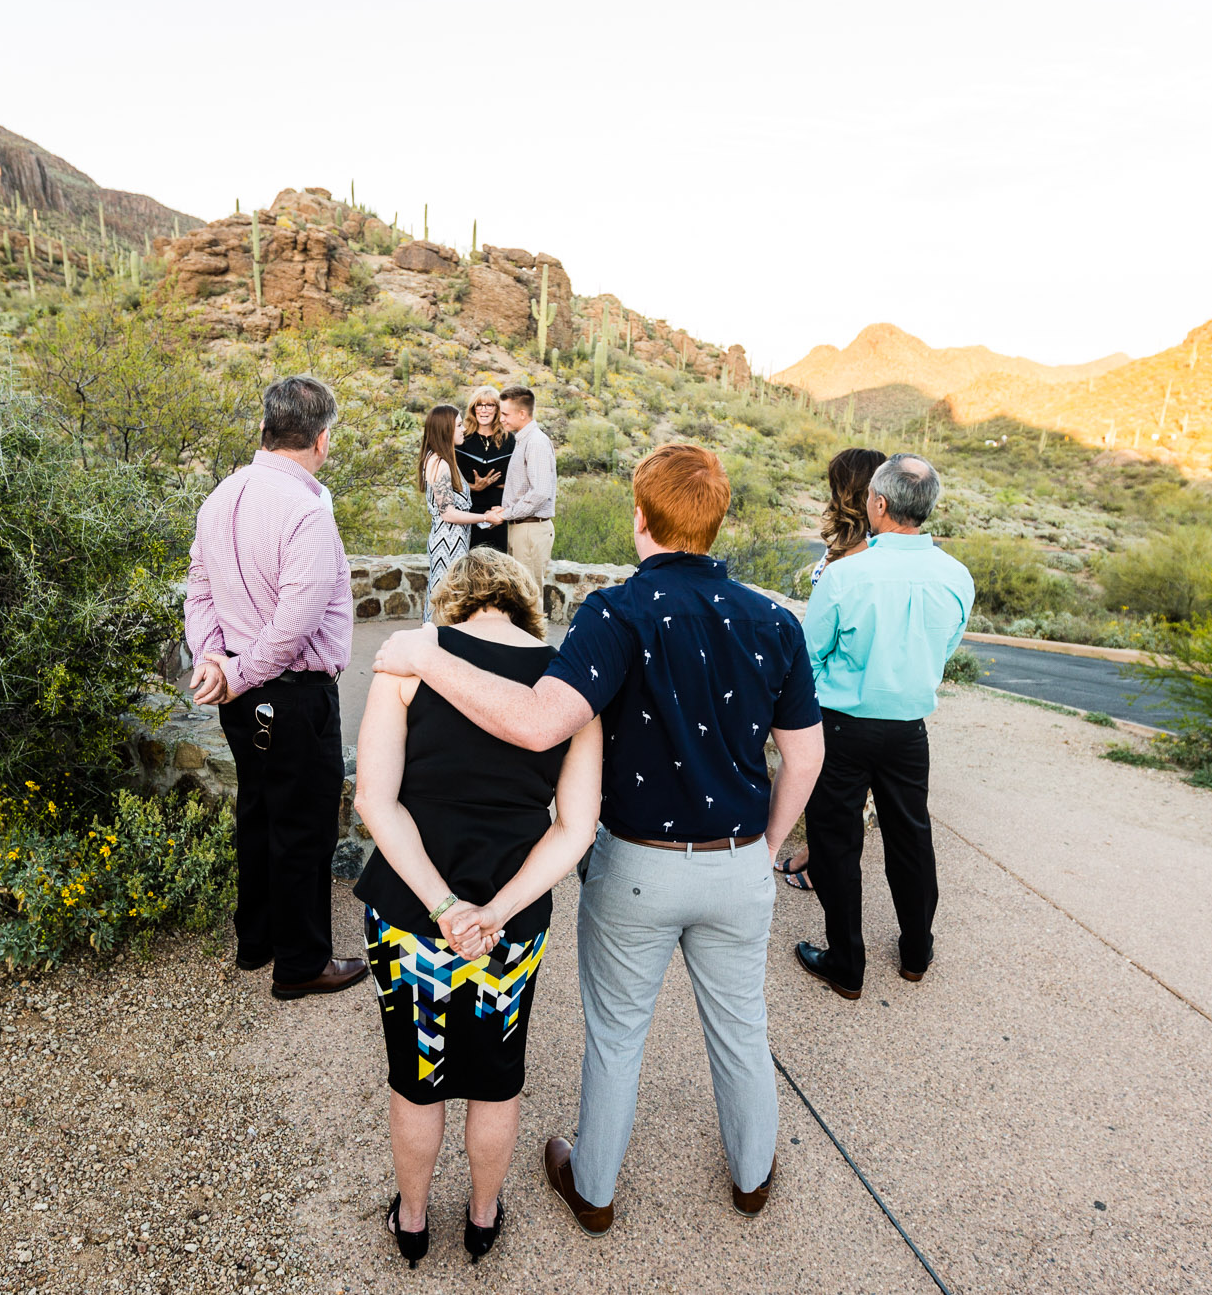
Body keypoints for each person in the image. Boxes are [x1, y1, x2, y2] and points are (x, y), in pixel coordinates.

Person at [373, 443, 825, 1237]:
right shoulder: (776, 622)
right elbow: (806, 753)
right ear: (715, 523)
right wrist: (764, 846)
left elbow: (543, 719)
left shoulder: (615, 613)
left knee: (617, 1035)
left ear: (641, 519)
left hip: (639, 866)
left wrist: (426, 652)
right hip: (737, 864)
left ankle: (596, 1188)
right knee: (744, 1030)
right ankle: (753, 1177)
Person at [353, 548, 604, 1267]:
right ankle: (484, 1215)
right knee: (497, 1077)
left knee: (417, 1074)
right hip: (512, 923)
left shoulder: (410, 659)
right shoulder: (569, 684)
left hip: (408, 913)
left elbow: (375, 797)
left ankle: (410, 1218)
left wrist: (442, 904)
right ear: (525, 605)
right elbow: (576, 826)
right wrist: (493, 910)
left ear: (453, 603)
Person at [186, 374, 369, 1002]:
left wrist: (212, 659)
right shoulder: (307, 510)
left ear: (266, 431)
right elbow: (293, 625)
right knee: (304, 824)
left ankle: (256, 938)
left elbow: (200, 589)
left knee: (259, 810)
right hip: (291, 694)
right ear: (320, 440)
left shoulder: (220, 496)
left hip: (242, 695)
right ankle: (301, 964)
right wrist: (231, 670)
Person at [794, 454, 973, 999]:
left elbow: (809, 654)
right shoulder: (956, 576)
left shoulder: (848, 574)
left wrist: (835, 686)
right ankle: (917, 949)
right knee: (911, 837)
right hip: (909, 730)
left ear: (879, 503)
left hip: (844, 726)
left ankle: (847, 963)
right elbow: (945, 649)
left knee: (836, 840)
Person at [779, 446, 886, 893]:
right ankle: (814, 852)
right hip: (828, 677)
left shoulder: (869, 550)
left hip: (840, 683)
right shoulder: (847, 542)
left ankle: (820, 862)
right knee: (826, 785)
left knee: (834, 789)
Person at [419, 404, 501, 623]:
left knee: (448, 596)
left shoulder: (441, 461)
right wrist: (485, 517)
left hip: (455, 540)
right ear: (445, 430)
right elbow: (449, 514)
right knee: (446, 598)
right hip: (448, 543)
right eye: (457, 425)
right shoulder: (440, 463)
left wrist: (476, 492)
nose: (463, 429)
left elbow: (453, 502)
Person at [496, 385, 557, 592]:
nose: (501, 419)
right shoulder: (523, 441)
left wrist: (507, 513)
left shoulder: (536, 443)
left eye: (505, 413)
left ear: (522, 413)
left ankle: (530, 627)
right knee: (521, 594)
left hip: (530, 529)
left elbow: (540, 492)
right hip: (521, 527)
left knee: (529, 594)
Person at [458, 385, 514, 553]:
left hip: (499, 512)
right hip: (470, 512)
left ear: (497, 410)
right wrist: (473, 486)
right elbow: (450, 479)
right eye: (479, 405)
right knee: (471, 565)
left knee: (498, 565)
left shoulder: (509, 439)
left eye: (489, 405)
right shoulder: (462, 438)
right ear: (473, 409)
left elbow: (517, 477)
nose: (484, 410)